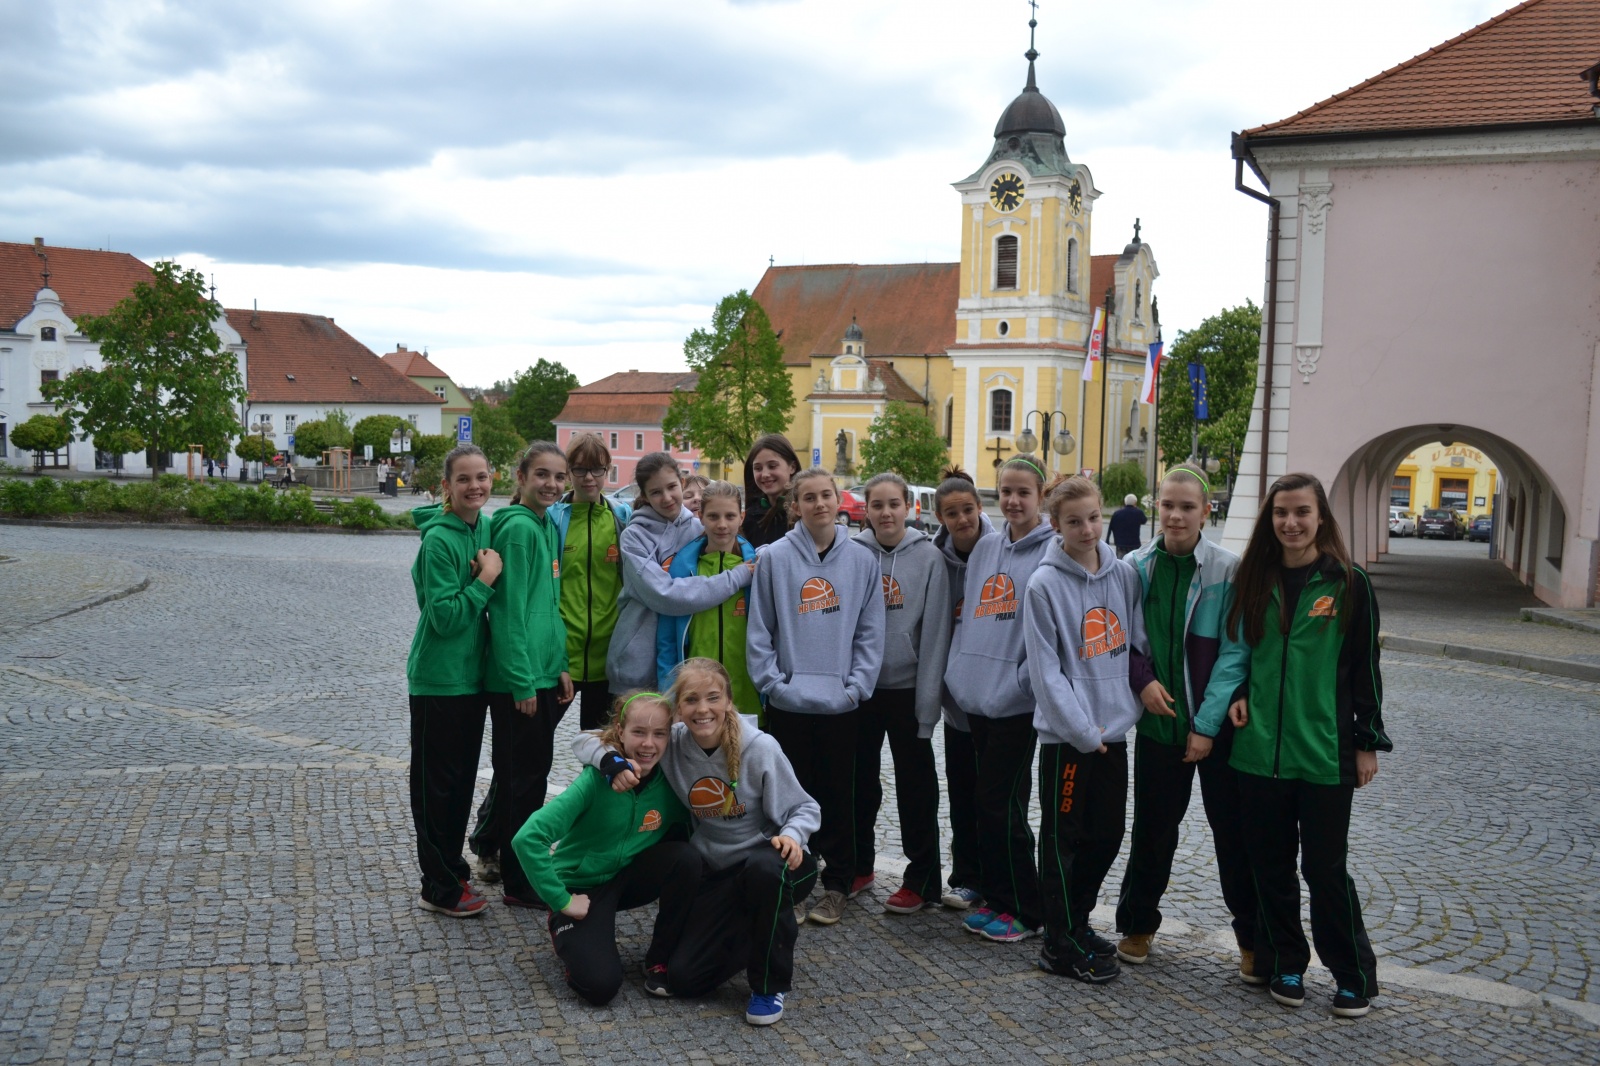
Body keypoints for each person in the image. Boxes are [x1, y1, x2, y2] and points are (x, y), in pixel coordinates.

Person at [1223, 472, 1391, 1018]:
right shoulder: (1254, 576)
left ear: (1321, 517)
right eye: (1281, 513)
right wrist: (1239, 694)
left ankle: (1352, 975)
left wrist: (1367, 741)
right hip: (1258, 753)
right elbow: (1239, 651)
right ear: (1269, 519)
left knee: (1325, 870)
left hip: (1324, 753)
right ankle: (1284, 963)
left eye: (1301, 512)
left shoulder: (1349, 583)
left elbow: (1366, 668)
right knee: (1270, 868)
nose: (1290, 523)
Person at [574, 658, 820, 1026]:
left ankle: (770, 985)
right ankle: (759, 928)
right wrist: (610, 762)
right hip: (718, 872)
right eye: (691, 699)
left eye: (713, 698)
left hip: (776, 864)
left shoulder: (760, 747)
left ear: (729, 701)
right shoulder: (672, 742)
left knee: (764, 870)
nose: (702, 709)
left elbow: (805, 807)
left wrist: (792, 835)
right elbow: (584, 740)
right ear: (679, 709)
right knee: (686, 978)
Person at [1114, 466, 1258, 983]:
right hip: (1159, 726)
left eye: (1187, 507)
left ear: (1205, 511)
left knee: (1233, 835)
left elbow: (1236, 652)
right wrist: (1143, 682)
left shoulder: (1227, 569)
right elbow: (1122, 637)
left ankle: (1252, 938)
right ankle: (1137, 925)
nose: (1175, 516)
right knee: (1153, 832)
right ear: (1156, 506)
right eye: (1168, 505)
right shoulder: (1134, 567)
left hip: (1216, 732)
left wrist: (1207, 725)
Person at [1025, 475, 1151, 983]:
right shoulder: (1043, 585)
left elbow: (1135, 643)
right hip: (1068, 740)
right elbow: (1045, 671)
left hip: (1113, 733)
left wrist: (1130, 705)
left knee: (1107, 834)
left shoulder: (1123, 575)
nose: (1087, 529)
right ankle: (1058, 943)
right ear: (1056, 525)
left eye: (1094, 518)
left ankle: (1077, 921)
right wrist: (1080, 730)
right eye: (1074, 521)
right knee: (1063, 842)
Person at [746, 467, 884, 926]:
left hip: (841, 703)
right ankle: (796, 881)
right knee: (789, 797)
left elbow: (870, 631)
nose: (819, 503)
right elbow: (760, 629)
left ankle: (838, 885)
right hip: (789, 702)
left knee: (839, 796)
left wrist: (856, 687)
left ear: (837, 500)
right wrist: (773, 684)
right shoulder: (775, 558)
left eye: (826, 495)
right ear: (795, 506)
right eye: (809, 497)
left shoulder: (862, 559)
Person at [511, 691, 700, 1005]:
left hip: (628, 877)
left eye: (659, 734)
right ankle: (567, 928)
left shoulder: (671, 784)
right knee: (599, 986)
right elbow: (527, 838)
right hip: (582, 887)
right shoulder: (595, 779)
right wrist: (561, 899)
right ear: (620, 732)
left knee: (687, 858)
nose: (648, 744)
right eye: (638, 732)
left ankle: (660, 958)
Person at [942, 455, 1056, 943]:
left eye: (1023, 492)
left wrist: (1023, 682)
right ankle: (997, 896)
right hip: (977, 697)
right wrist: (961, 673)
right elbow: (973, 614)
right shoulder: (987, 546)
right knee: (986, 804)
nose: (1012, 501)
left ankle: (1026, 909)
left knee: (1002, 805)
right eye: (1006, 491)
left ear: (1041, 496)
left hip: (1016, 702)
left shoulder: (1053, 548)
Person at [474, 441, 575, 908]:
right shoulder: (517, 528)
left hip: (541, 672)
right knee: (522, 782)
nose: (551, 484)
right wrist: (521, 679)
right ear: (521, 477)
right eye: (542, 475)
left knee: (530, 777)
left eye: (558, 476)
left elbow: (548, 605)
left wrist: (559, 665)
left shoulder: (543, 523)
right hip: (519, 681)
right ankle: (519, 881)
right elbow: (508, 612)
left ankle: (519, 867)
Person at [406, 444, 501, 918]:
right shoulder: (439, 541)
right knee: (434, 789)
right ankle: (438, 886)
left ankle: (453, 872)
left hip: (471, 681)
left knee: (460, 785)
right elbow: (443, 618)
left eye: (481, 477)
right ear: (446, 486)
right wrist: (485, 580)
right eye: (463, 479)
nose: (474, 486)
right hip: (438, 680)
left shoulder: (483, 526)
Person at [850, 472, 951, 914]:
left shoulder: (929, 558)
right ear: (867, 510)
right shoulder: (853, 554)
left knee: (916, 788)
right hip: (862, 688)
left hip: (909, 690)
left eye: (894, 504)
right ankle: (858, 864)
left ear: (909, 507)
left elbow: (936, 634)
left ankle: (922, 879)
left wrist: (928, 705)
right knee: (859, 782)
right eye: (877, 505)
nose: (886, 512)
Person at [608, 452, 755, 693]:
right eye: (656, 492)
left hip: (685, 661)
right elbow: (664, 595)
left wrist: (767, 556)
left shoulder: (699, 529)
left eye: (671, 487)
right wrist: (737, 577)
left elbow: (736, 548)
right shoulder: (633, 537)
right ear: (644, 496)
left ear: (682, 482)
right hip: (638, 665)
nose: (666, 498)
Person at [931, 469, 993, 911]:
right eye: (952, 513)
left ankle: (1000, 880)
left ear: (980, 508)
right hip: (957, 702)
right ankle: (967, 876)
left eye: (968, 510)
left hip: (997, 699)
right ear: (940, 517)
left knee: (998, 798)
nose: (962, 519)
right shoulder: (935, 558)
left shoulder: (1001, 549)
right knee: (962, 791)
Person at [655, 481, 760, 717]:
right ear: (701, 516)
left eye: (730, 516)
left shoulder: (758, 569)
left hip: (748, 696)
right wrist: (669, 694)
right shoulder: (683, 569)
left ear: (741, 517)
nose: (722, 524)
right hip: (697, 700)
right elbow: (667, 640)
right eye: (713, 516)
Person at [550, 432, 632, 732]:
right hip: (562, 657)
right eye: (580, 469)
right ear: (568, 471)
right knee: (535, 743)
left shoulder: (622, 518)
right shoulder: (553, 519)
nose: (589, 478)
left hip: (608, 659)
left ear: (607, 470)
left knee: (600, 749)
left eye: (597, 469)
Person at [740, 434, 802, 549]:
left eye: (772, 466)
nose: (765, 474)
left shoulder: (803, 514)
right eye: (758, 468)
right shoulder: (749, 519)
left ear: (792, 467)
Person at [1107, 494, 1147, 558]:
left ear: (1125, 502)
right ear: (1135, 502)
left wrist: (1107, 540)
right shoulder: (1139, 512)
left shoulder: (1117, 513)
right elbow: (1144, 520)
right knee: (1133, 561)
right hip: (1134, 543)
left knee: (1121, 561)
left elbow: (1111, 527)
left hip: (1120, 544)